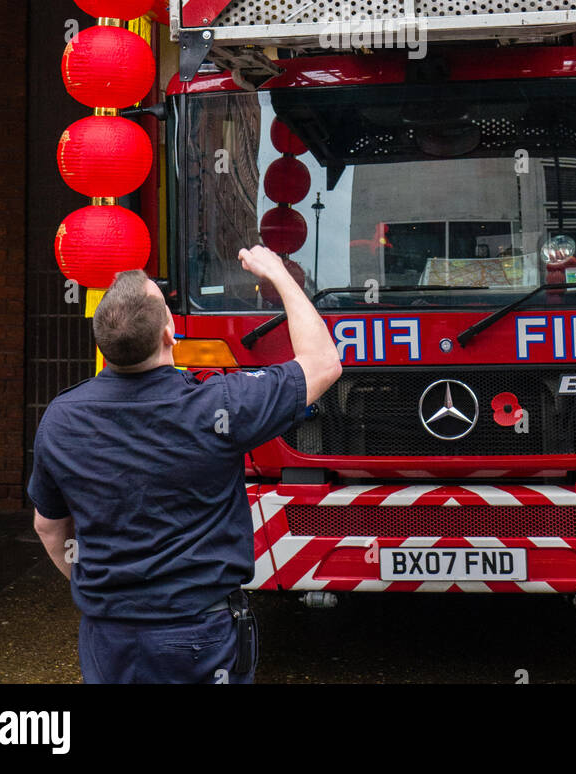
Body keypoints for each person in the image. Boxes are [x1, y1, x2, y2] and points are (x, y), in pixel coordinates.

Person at [27, 247, 342, 684]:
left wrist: (94, 587)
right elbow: (324, 362)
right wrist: (279, 275)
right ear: (168, 335)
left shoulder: (61, 419)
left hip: (107, 637)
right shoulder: (222, 406)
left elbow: (49, 527)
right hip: (199, 635)